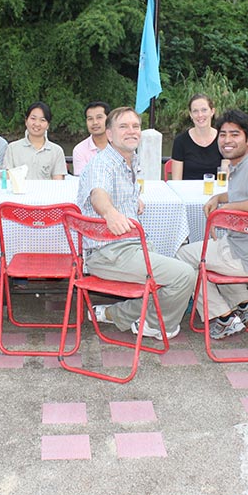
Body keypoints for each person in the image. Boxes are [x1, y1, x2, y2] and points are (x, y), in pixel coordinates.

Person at [77, 106, 194, 340]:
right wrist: (110, 213)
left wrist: (131, 200)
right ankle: (154, 325)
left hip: (129, 246)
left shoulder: (128, 160)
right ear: (109, 134)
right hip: (109, 253)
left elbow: (113, 189)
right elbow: (98, 193)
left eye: (135, 126)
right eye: (123, 126)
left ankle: (115, 314)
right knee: (185, 275)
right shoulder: (103, 163)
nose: (132, 131)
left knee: (173, 273)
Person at [176, 110, 248, 339]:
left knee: (183, 257)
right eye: (223, 135)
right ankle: (243, 304)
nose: (227, 140)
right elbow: (240, 194)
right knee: (209, 249)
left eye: (235, 134)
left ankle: (222, 317)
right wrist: (219, 198)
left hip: (247, 255)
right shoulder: (242, 164)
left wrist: (225, 211)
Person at [4, 101, 67, 180]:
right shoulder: (12, 148)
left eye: (42, 120)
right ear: (26, 121)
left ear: (48, 125)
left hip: (46, 192)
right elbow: (7, 179)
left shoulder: (56, 151)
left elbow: (58, 184)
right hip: (18, 192)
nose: (37, 124)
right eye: (33, 118)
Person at [170, 94, 223, 180]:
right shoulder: (180, 141)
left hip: (217, 192)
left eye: (204, 110)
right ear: (190, 115)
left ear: (212, 111)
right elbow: (176, 181)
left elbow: (225, 178)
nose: (200, 115)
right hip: (187, 192)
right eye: (195, 111)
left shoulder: (223, 139)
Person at [72, 101, 110, 176]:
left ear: (109, 119)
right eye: (90, 119)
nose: (95, 122)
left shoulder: (121, 145)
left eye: (99, 117)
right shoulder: (80, 150)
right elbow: (82, 180)